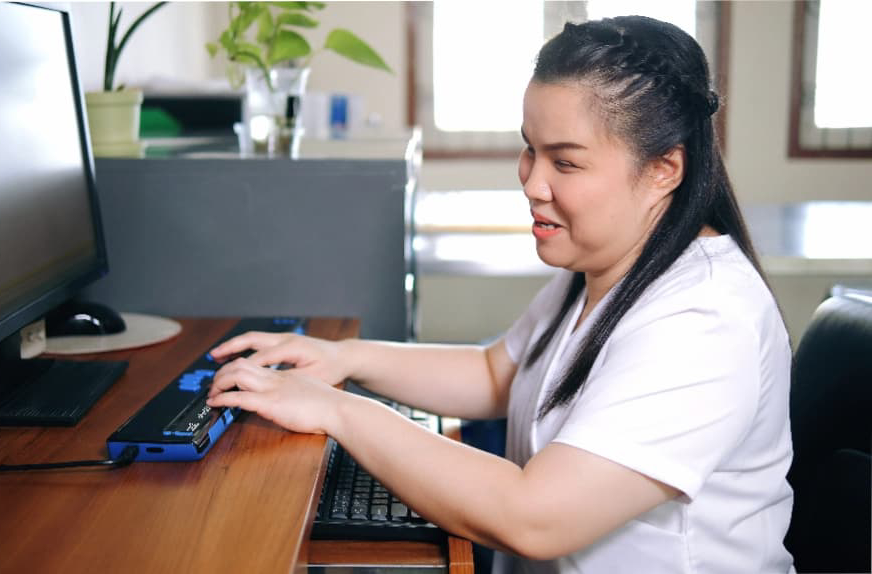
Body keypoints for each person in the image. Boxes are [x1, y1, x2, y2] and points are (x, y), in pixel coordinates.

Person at [207, 15, 795, 574]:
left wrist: (337, 410)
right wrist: (342, 360)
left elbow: (534, 517)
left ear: (665, 169)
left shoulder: (705, 318)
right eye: (530, 149)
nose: (532, 183)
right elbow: (498, 372)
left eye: (565, 162)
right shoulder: (605, 260)